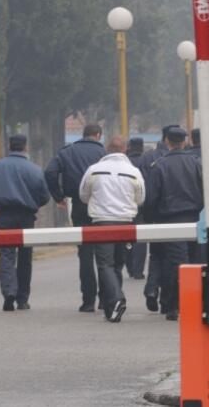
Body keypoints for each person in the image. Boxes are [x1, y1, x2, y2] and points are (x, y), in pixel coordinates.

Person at [0, 134, 50, 312]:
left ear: (9, 146)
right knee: (25, 258)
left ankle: (9, 292)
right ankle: (22, 299)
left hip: (5, 216)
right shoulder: (35, 170)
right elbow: (44, 196)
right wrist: (32, 205)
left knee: (7, 255)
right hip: (26, 217)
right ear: (25, 147)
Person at [79, 136, 145, 323]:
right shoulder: (134, 171)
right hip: (126, 222)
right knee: (117, 264)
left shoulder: (93, 170)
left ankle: (116, 299)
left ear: (107, 149)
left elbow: (83, 196)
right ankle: (111, 308)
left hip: (102, 222)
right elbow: (140, 199)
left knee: (104, 263)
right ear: (125, 149)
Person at [145, 126, 203, 321]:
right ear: (184, 142)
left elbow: (152, 197)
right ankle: (193, 303)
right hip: (194, 219)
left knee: (175, 264)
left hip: (169, 220)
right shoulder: (196, 163)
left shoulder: (159, 165)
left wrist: (152, 219)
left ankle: (172, 306)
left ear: (167, 142)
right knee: (193, 263)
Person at [45, 124, 104, 312]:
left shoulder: (67, 152)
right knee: (105, 254)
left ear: (83, 134)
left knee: (85, 254)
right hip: (103, 207)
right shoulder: (104, 153)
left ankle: (88, 301)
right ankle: (106, 298)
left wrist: (58, 196)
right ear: (98, 135)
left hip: (79, 206)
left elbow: (50, 172)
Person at [138, 125, 181, 313]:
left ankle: (151, 289)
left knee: (156, 255)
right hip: (180, 218)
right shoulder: (187, 160)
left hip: (157, 216)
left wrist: (148, 217)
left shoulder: (147, 158)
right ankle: (166, 300)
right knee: (173, 259)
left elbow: (142, 188)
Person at [126, 137, 147, 280]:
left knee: (126, 236)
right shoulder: (145, 161)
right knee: (140, 238)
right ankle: (138, 270)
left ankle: (130, 268)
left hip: (125, 203)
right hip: (141, 204)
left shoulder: (125, 162)